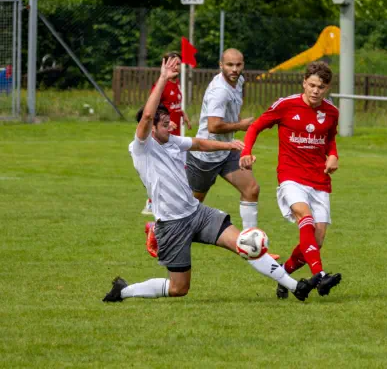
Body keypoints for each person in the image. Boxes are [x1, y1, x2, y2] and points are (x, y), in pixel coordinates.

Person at [103, 56, 313, 303]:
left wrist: (230, 145)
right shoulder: (142, 147)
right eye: (165, 124)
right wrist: (163, 78)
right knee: (179, 288)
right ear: (151, 128)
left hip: (197, 213)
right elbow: (148, 116)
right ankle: (123, 291)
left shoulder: (171, 141)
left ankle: (296, 286)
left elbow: (200, 143)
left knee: (245, 244)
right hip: (172, 224)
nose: (171, 126)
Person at [239, 61, 342, 300]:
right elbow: (255, 127)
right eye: (312, 85)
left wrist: (333, 155)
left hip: (319, 180)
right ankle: (320, 275)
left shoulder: (331, 112)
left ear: (327, 88)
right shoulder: (285, 105)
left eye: (321, 87)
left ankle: (283, 274)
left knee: (317, 240)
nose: (316, 91)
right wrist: (246, 152)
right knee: (304, 217)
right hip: (291, 176)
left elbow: (330, 139)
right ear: (304, 83)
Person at [185, 48, 260, 230]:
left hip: (226, 150)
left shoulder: (239, 80)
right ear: (221, 65)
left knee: (251, 189)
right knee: (191, 207)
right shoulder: (220, 91)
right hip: (205, 155)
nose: (234, 69)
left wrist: (237, 122)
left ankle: (250, 239)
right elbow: (213, 126)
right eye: (229, 65)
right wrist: (240, 125)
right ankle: (161, 231)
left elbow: (234, 107)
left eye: (238, 65)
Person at [141, 51, 192, 215]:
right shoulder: (160, 85)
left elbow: (173, 104)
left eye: (178, 64)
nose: (177, 67)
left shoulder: (176, 83)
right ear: (165, 65)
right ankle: (151, 202)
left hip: (176, 135)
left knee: (179, 168)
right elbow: (152, 108)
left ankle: (176, 201)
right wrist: (165, 122)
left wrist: (182, 114)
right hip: (162, 136)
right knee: (163, 169)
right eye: (173, 64)